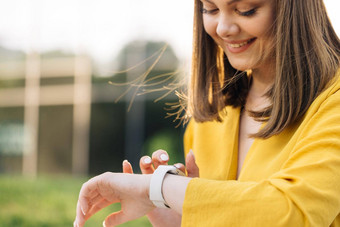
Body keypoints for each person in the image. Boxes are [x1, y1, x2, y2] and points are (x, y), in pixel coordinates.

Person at [74, 0, 340, 226]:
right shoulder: (213, 114)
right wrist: (183, 215)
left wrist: (159, 188)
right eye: (210, 9)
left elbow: (289, 213)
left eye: (245, 9)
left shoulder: (333, 101)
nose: (223, 28)